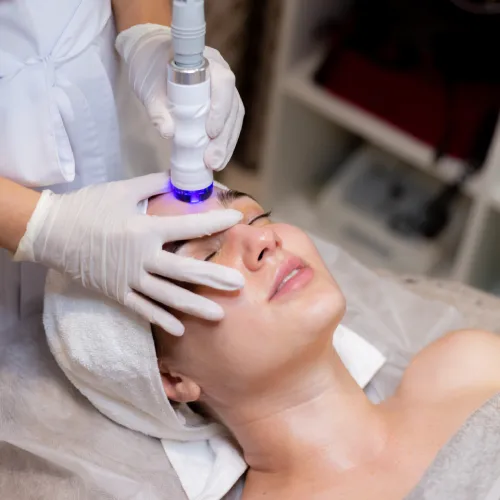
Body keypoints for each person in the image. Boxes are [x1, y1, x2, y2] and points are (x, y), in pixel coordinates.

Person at [149, 187, 500, 499]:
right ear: (172, 379)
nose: (263, 241)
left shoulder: (464, 365)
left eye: (257, 218)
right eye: (205, 257)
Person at [0, 0, 245, 338]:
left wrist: (146, 34)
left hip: (108, 84)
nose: (262, 238)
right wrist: (45, 227)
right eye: (208, 258)